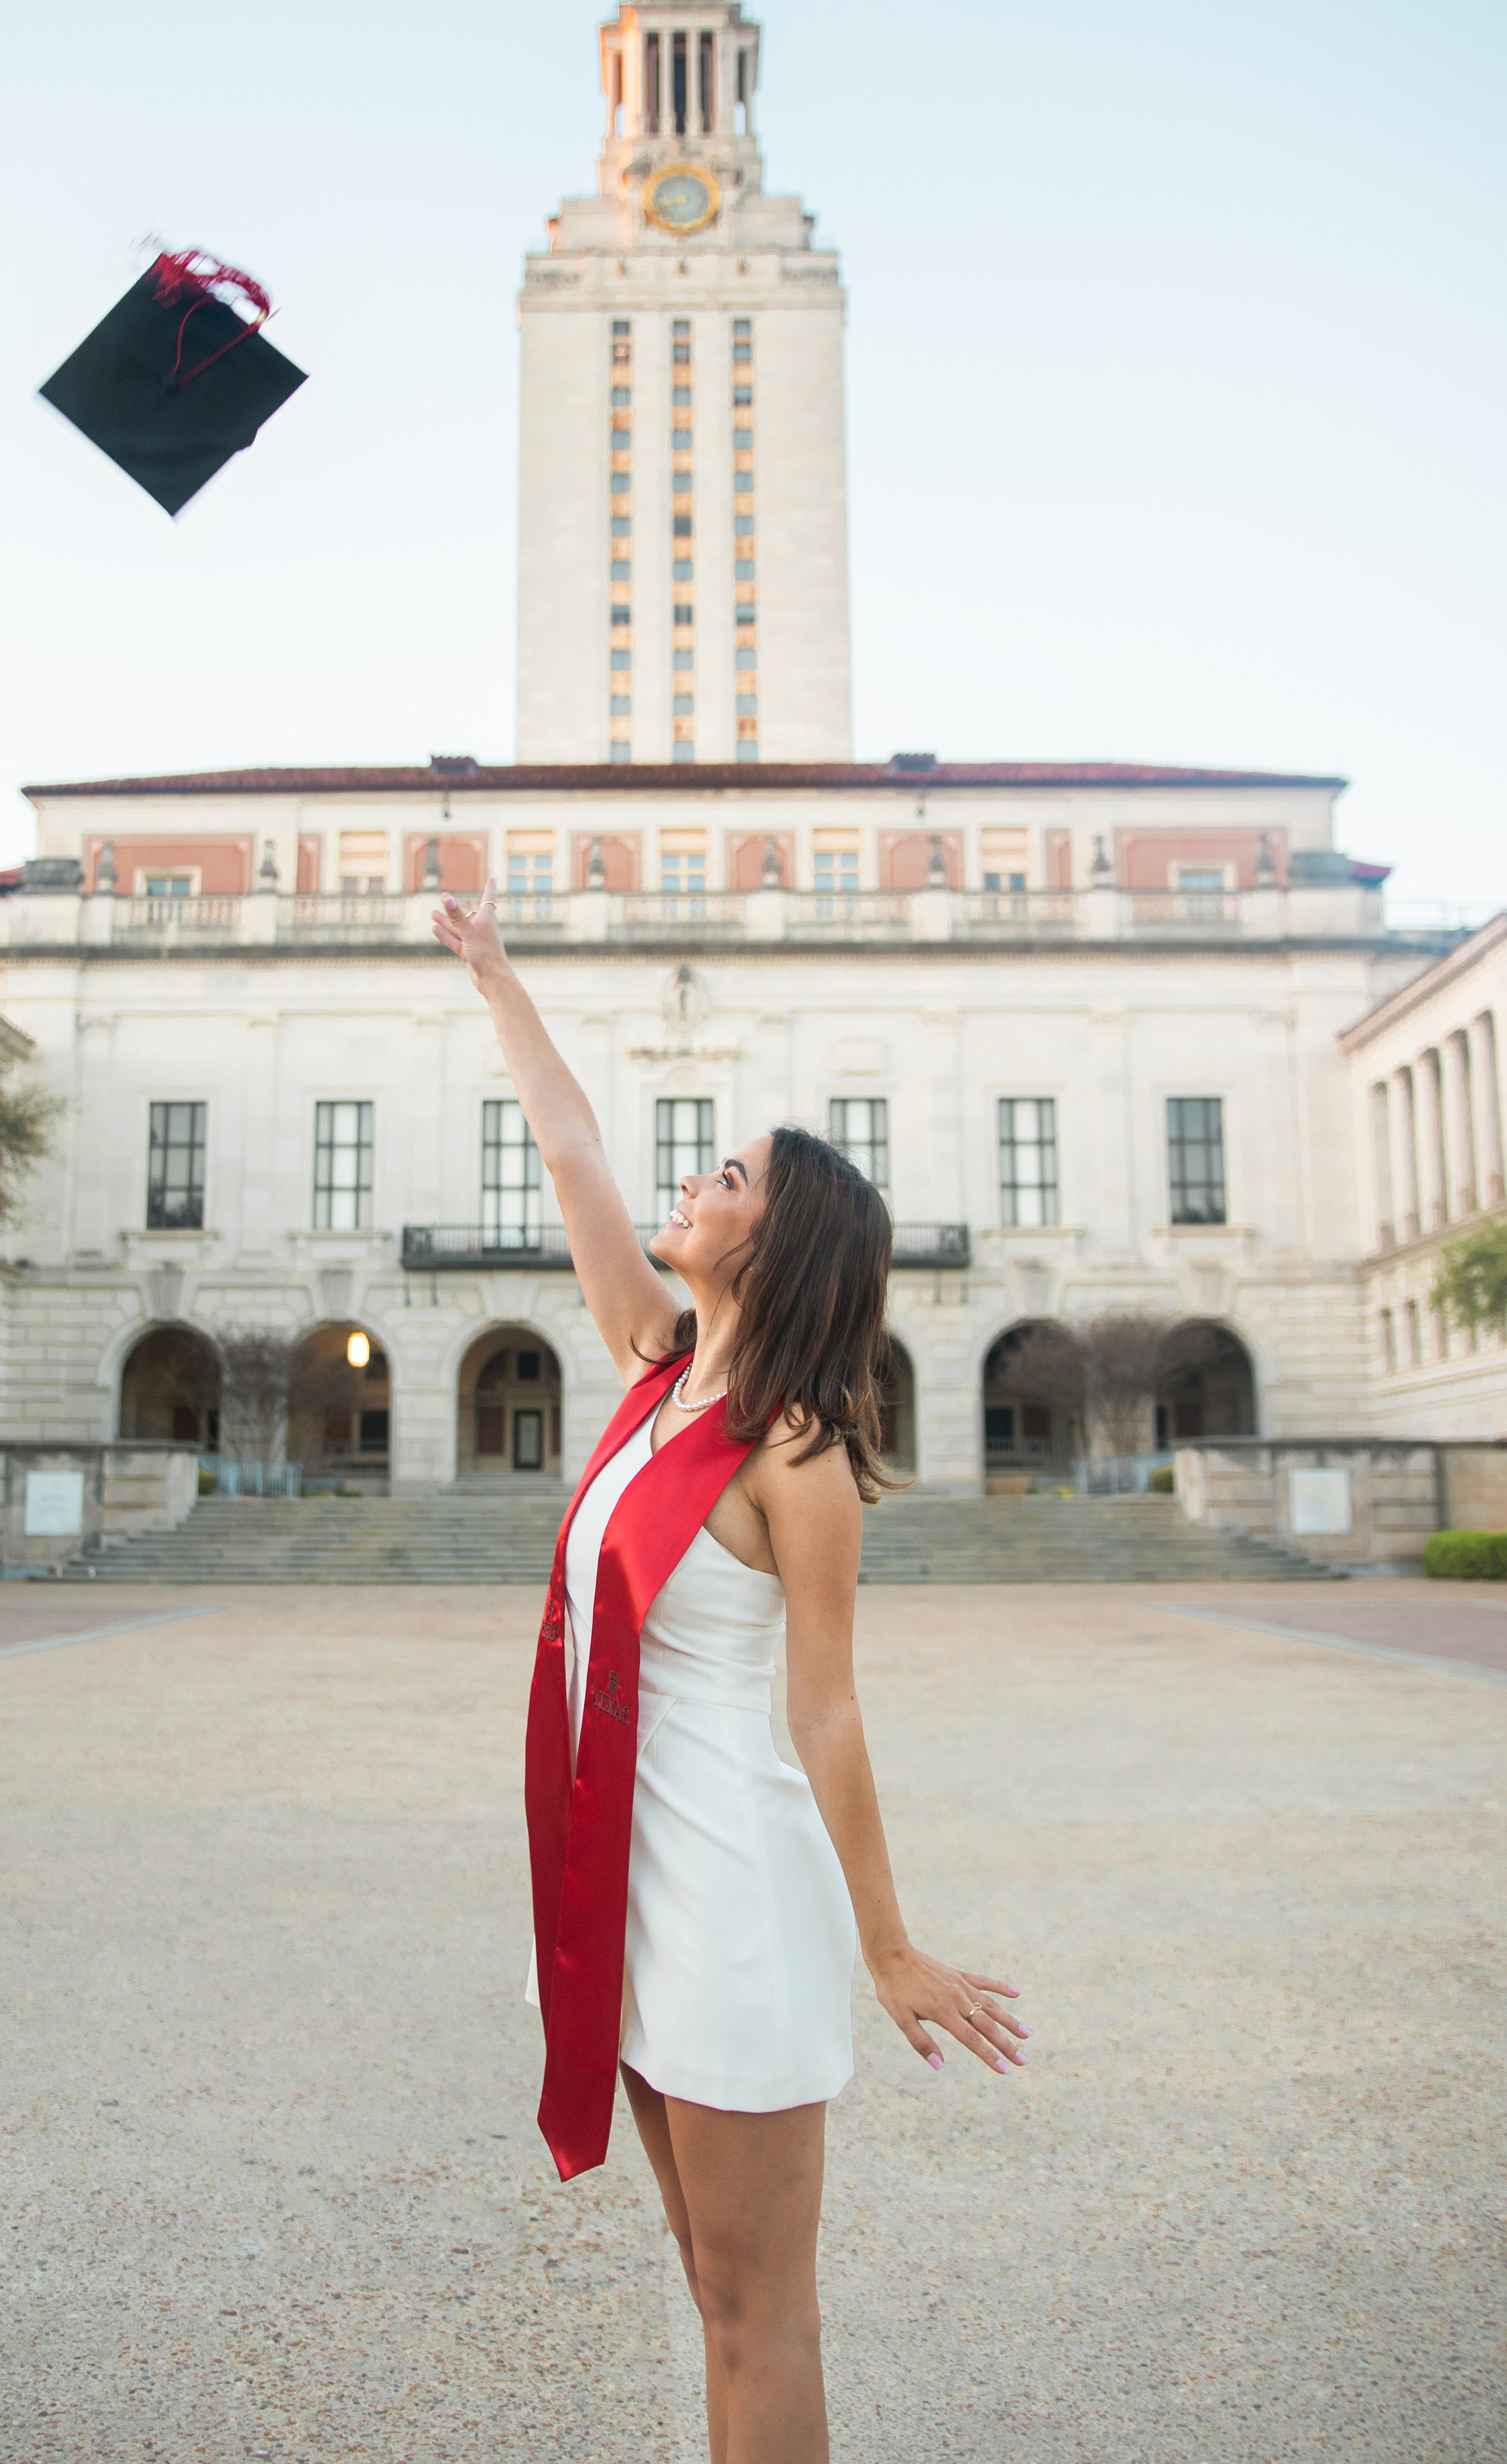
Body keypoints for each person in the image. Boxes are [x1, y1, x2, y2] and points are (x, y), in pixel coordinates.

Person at [432, 882, 1028, 2463]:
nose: (692, 1180)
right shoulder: (643, 1366)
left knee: (764, 2314)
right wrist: (496, 977)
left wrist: (887, 1947)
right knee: (710, 2287)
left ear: (786, 1235)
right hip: (625, 1885)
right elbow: (572, 1150)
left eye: (731, 1173)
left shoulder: (795, 1451)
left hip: (734, 1907)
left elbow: (823, 1706)